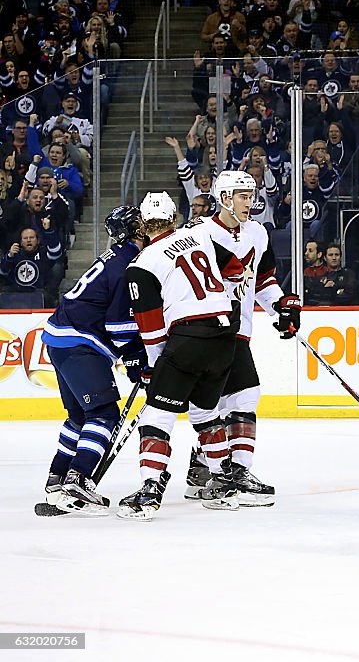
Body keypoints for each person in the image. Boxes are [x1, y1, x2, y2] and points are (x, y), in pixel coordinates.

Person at [117, 192, 246, 520]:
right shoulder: (198, 233)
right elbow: (235, 267)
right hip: (226, 334)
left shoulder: (142, 263)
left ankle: (149, 492)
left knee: (155, 417)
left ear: (143, 225)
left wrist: (155, 366)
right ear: (174, 217)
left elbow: (150, 327)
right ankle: (223, 484)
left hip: (188, 339)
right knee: (205, 412)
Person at [181, 171, 301, 507]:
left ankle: (204, 470)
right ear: (223, 198)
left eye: (251, 195)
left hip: (238, 330)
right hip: (208, 329)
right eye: (242, 196)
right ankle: (235, 473)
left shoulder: (258, 233)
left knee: (227, 402)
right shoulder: (200, 234)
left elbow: (262, 281)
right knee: (237, 398)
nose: (250, 202)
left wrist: (280, 306)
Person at [39, 206, 147, 514]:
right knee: (104, 415)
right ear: (136, 231)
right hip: (80, 343)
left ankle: (57, 479)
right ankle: (78, 478)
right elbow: (118, 325)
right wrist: (137, 360)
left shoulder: (115, 256)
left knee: (79, 417)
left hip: (60, 339)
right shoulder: (130, 264)